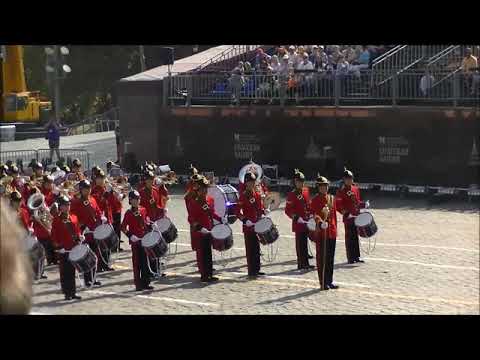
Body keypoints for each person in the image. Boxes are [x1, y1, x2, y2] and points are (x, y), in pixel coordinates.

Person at [0, 198, 33, 314]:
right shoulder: (7, 214)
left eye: (19, 200)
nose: (18, 202)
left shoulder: (22, 211)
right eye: (15, 201)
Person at [186, 175, 222, 283]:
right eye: (203, 188)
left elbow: (212, 213)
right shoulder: (194, 201)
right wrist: (199, 227)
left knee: (208, 252)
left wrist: (221, 219)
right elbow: (191, 218)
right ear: (198, 189)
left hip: (209, 229)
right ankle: (204, 275)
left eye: (206, 188)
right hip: (200, 232)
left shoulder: (210, 199)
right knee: (202, 253)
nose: (205, 190)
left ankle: (210, 273)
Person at [70, 179, 103, 287]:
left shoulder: (92, 199)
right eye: (85, 189)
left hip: (94, 231)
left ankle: (94, 277)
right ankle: (87, 279)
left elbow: (97, 211)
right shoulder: (76, 202)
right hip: (84, 233)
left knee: (94, 256)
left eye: (88, 189)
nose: (87, 191)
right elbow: (74, 218)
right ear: (81, 190)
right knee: (85, 257)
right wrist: (82, 227)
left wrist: (101, 217)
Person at [235, 172, 267, 279]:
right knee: (250, 249)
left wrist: (263, 211)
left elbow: (259, 208)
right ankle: (251, 270)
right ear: (246, 183)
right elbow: (237, 212)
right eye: (249, 182)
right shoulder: (243, 196)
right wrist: (244, 220)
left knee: (257, 248)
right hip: (248, 227)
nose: (252, 184)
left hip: (257, 225)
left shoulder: (257, 194)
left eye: (253, 182)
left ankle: (257, 269)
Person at [51, 195, 83, 301]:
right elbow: (54, 235)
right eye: (64, 205)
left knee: (72, 271)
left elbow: (77, 230)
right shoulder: (56, 220)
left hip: (73, 248)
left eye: (68, 205)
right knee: (65, 272)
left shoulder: (74, 217)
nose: (67, 207)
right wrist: (58, 246)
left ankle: (73, 292)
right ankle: (67, 293)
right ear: (60, 207)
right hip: (63, 249)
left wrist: (80, 237)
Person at [121, 190, 154, 291]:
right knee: (137, 264)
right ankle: (138, 284)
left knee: (145, 262)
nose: (137, 201)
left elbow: (145, 223)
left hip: (144, 240)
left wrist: (150, 225)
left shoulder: (143, 209)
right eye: (135, 199)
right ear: (130, 201)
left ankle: (146, 282)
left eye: (138, 199)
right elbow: (122, 227)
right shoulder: (129, 213)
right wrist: (130, 235)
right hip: (136, 242)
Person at [335, 167, 369, 264]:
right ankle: (350, 257)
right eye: (347, 179)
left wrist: (364, 204)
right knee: (349, 237)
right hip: (348, 217)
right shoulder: (341, 191)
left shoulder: (355, 188)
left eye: (350, 178)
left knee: (355, 237)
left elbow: (357, 202)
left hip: (356, 216)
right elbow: (338, 205)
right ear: (344, 180)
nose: (349, 180)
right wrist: (346, 213)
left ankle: (356, 256)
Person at [310, 175, 339, 290]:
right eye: (322, 186)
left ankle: (329, 280)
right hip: (322, 232)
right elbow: (314, 214)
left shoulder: (332, 198)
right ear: (318, 187)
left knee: (330, 258)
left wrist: (335, 229)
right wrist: (320, 222)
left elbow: (334, 216)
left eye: (325, 186)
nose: (324, 188)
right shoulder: (315, 200)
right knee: (322, 258)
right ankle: (323, 282)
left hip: (331, 231)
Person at [285, 169, 314, 271]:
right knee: (300, 244)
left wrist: (311, 214)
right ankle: (301, 264)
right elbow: (287, 210)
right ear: (295, 182)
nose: (300, 184)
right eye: (298, 182)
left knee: (305, 244)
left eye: (301, 181)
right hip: (298, 223)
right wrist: (296, 217)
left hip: (306, 221)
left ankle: (306, 262)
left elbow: (308, 204)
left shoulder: (306, 191)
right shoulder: (291, 194)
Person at [91, 170, 116, 270]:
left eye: (102, 178)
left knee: (108, 243)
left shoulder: (106, 188)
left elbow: (113, 203)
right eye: (99, 178)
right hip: (100, 220)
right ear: (96, 179)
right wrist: (106, 195)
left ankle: (106, 263)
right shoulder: (93, 190)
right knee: (101, 244)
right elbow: (97, 205)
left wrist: (112, 193)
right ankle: (100, 264)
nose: (101, 180)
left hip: (108, 217)